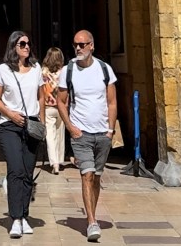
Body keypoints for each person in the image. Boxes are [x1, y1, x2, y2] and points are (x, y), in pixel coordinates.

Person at [54, 30, 117, 242]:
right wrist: (71, 127)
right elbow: (61, 101)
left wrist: (110, 130)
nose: (78, 48)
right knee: (87, 174)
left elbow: (112, 102)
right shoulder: (67, 70)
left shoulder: (104, 69)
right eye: (75, 45)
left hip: (102, 133)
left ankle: (93, 214)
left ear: (92, 45)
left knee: (97, 177)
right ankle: (91, 222)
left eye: (83, 44)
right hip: (80, 133)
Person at [0, 31, 45, 238]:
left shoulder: (37, 68)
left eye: (29, 43)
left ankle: (24, 215)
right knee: (16, 170)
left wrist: (41, 121)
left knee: (28, 171)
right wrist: (10, 114)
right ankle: (16, 219)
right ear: (13, 46)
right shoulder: (3, 70)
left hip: (31, 125)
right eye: (22, 44)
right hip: (9, 126)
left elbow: (41, 96)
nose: (27, 47)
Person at [38, 46, 67, 173]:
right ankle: (60, 161)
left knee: (50, 135)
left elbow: (39, 92)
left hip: (48, 107)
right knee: (60, 135)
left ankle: (54, 162)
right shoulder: (64, 73)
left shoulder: (43, 73)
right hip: (61, 107)